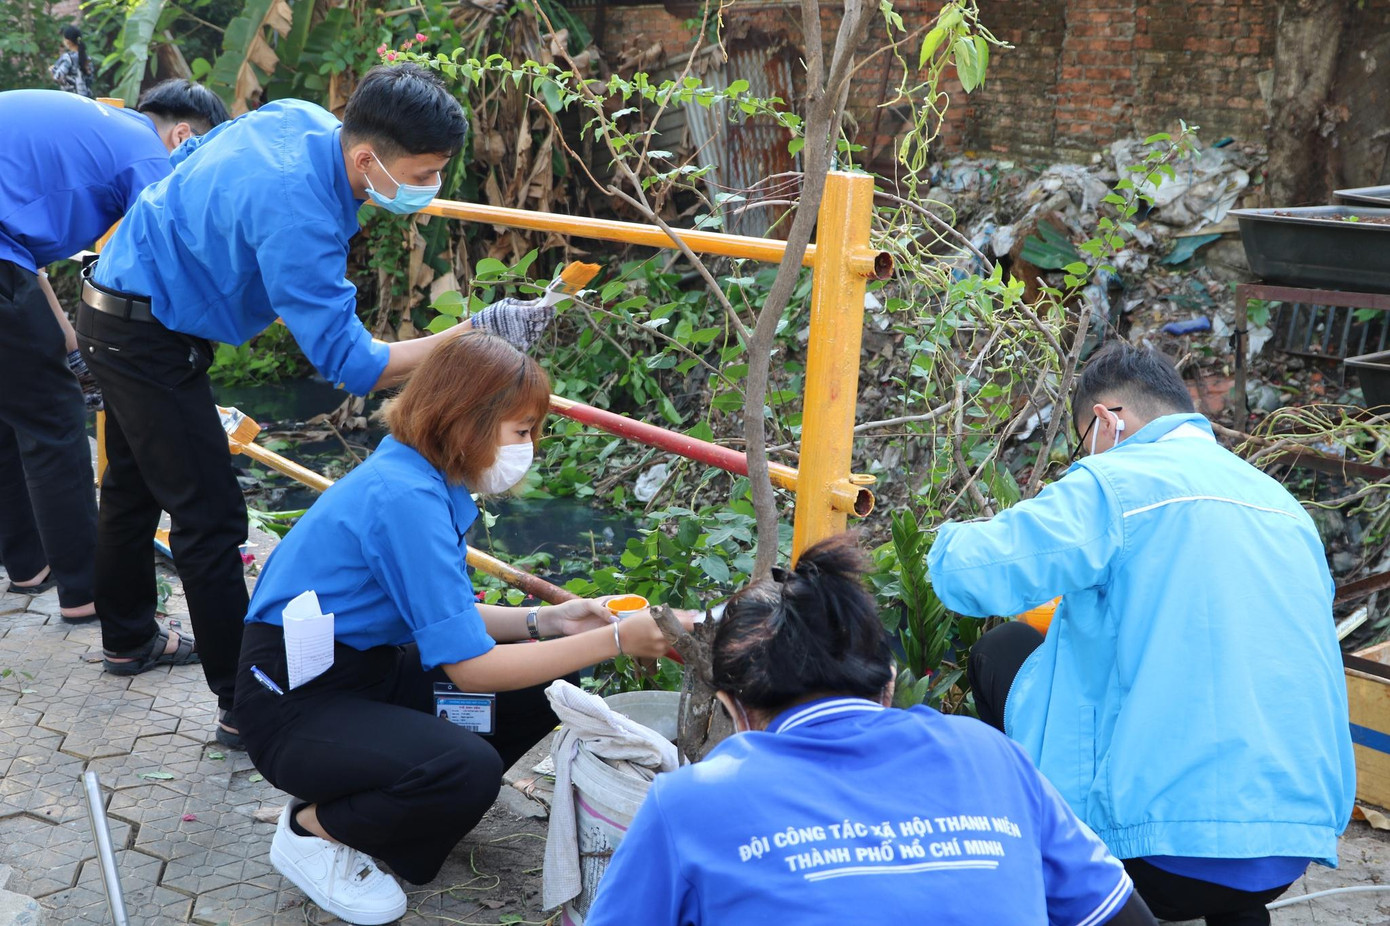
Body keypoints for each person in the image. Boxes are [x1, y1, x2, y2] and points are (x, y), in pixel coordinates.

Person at [77, 63, 555, 749]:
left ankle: (127, 640)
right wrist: (475, 332)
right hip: (146, 336)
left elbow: (189, 163)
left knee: (130, 488)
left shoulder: (300, 116)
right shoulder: (300, 216)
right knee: (210, 520)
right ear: (366, 158)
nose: (430, 188)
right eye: (422, 173)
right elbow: (354, 365)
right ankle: (242, 705)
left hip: (122, 303)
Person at [233, 332, 685, 926]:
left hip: (366, 667)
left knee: (552, 673)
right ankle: (313, 829)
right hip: (293, 701)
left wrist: (544, 619)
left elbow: (440, 618)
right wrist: (616, 638)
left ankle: (388, 800)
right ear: (468, 421)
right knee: (465, 768)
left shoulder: (422, 476)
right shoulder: (405, 499)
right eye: (522, 431)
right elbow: (469, 668)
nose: (531, 447)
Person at [929, 341, 1355, 926]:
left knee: (1003, 651)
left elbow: (968, 575)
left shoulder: (1117, 482)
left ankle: (1064, 877)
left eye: (1081, 442)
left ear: (1107, 419)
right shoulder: (1282, 506)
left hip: (1158, 851)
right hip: (1290, 843)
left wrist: (944, 535)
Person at [585, 534, 1157, 926]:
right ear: (887, 680)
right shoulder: (990, 753)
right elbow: (1118, 914)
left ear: (734, 708)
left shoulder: (687, 805)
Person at [0, 83, 228, 625]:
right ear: (182, 136)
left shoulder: (102, 127)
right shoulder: (150, 155)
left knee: (13, 408)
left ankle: (28, 564)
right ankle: (85, 592)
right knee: (55, 421)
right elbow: (170, 267)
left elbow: (23, 259)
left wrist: (71, 341)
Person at [50, 25, 94, 98]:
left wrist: (52, 70)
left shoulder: (68, 58)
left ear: (68, 41)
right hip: (87, 98)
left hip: (72, 98)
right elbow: (90, 78)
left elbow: (57, 77)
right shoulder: (87, 58)